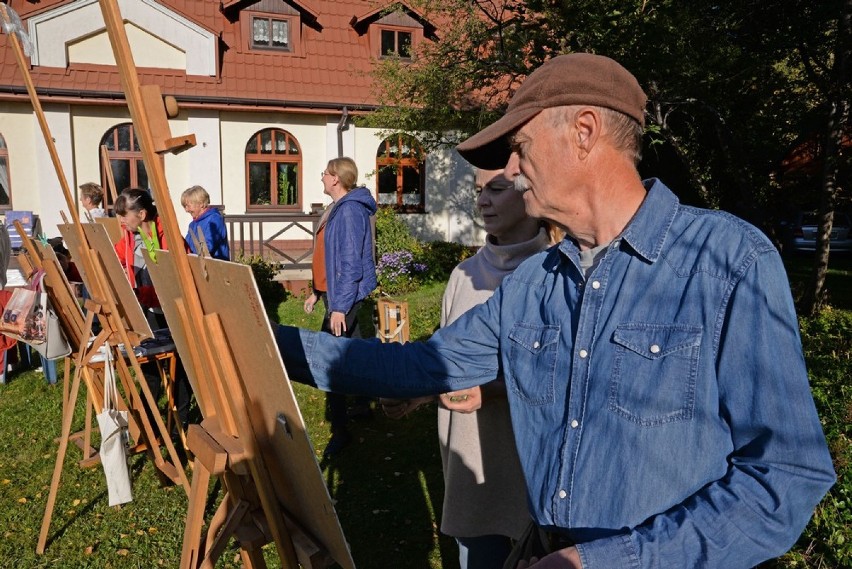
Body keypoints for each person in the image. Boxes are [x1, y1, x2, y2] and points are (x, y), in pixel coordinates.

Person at [275, 53, 835, 568]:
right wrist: (255, 334)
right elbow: (415, 368)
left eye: (521, 145)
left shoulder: (728, 260)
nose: (514, 169)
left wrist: (609, 562)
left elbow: (784, 475)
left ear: (584, 132)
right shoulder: (535, 283)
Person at [384, 168, 554, 569]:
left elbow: (564, 374)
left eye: (495, 189)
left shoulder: (558, 273)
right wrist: (419, 392)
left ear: (532, 190)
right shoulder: (463, 275)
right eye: (478, 190)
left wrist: (491, 391)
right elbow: (449, 358)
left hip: (533, 477)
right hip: (470, 468)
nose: (482, 201)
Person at [302, 157, 377, 458]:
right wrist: (317, 293)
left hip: (343, 297)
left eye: (324, 173)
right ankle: (363, 402)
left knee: (328, 358)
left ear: (335, 178)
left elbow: (349, 265)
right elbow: (327, 257)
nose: (321, 177)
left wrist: (339, 307)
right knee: (355, 348)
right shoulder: (337, 209)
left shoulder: (348, 211)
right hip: (335, 294)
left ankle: (341, 430)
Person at [114, 188, 193, 430]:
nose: (121, 221)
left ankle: (182, 425)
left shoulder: (168, 238)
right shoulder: (132, 235)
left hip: (174, 313)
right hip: (150, 313)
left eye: (124, 215)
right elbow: (113, 256)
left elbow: (176, 282)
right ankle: (149, 425)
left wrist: (144, 295)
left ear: (142, 214)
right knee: (149, 366)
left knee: (178, 372)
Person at [181, 185, 230, 261]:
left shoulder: (215, 219)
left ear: (201, 204)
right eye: (185, 206)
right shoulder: (192, 225)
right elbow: (187, 246)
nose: (186, 210)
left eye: (188, 206)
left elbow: (207, 249)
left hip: (216, 268)